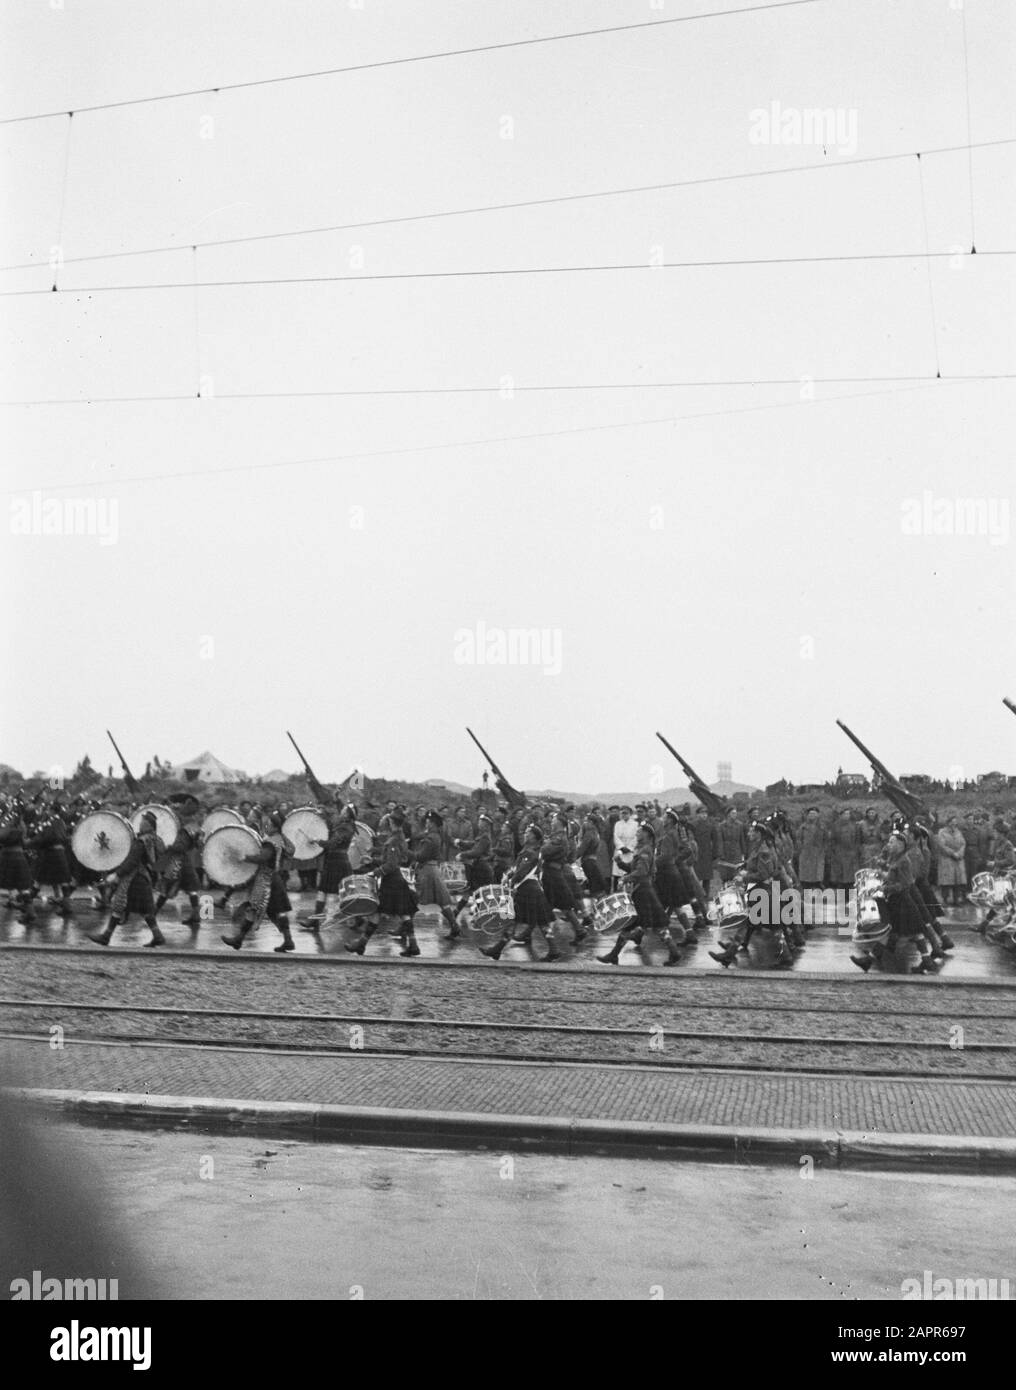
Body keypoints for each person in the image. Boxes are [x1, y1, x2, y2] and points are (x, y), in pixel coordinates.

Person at [597, 822, 681, 966]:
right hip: (643, 890)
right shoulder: (643, 849)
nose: (637, 833)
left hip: (643, 891)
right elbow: (633, 868)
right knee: (654, 926)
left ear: (646, 834)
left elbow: (641, 872)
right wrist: (620, 863)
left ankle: (614, 954)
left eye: (640, 831)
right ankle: (674, 952)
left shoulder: (645, 850)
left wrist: (625, 878)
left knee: (637, 925)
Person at [481, 824, 560, 962]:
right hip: (531, 888)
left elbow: (522, 872)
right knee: (540, 923)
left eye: (529, 833)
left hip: (527, 889)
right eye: (526, 832)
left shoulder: (530, 852)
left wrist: (510, 883)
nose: (525, 835)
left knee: (515, 920)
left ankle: (497, 949)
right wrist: (510, 874)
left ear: (535, 837)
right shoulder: (530, 850)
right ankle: (553, 950)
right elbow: (518, 868)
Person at [88, 810, 166, 948]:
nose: (140, 825)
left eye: (143, 823)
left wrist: (117, 874)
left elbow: (132, 861)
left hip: (134, 879)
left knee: (119, 905)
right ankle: (157, 936)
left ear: (149, 825)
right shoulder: (157, 840)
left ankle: (106, 936)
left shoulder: (142, 841)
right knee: (146, 910)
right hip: (145, 878)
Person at [220, 812, 295, 953]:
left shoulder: (271, 842)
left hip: (266, 880)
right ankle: (288, 940)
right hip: (276, 879)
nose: (266, 826)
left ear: (275, 827)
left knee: (254, 909)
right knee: (278, 912)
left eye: (269, 824)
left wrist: (245, 857)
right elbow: (292, 850)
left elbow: (263, 857)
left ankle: (239, 939)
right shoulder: (280, 839)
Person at [307, 805, 356, 928]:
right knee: (323, 890)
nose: (341, 812)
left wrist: (316, 840)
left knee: (344, 893)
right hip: (334, 860)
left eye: (344, 811)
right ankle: (315, 920)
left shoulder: (345, 828)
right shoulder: (344, 826)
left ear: (347, 814)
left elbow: (331, 844)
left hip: (338, 862)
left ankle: (357, 919)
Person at [412, 811, 459, 938]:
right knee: (441, 901)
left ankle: (405, 927)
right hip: (431, 870)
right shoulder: (435, 835)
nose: (426, 823)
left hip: (428, 871)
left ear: (433, 823)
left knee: (415, 898)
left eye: (428, 822)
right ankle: (454, 926)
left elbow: (422, 856)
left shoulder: (431, 837)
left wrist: (409, 853)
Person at [154, 808, 203, 927]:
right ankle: (195, 915)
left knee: (167, 887)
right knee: (191, 889)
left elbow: (180, 847)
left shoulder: (183, 831)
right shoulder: (194, 829)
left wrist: (169, 847)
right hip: (185, 861)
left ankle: (153, 913)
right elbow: (197, 844)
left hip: (177, 861)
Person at [936, 817, 967, 906]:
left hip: (958, 860)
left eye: (955, 823)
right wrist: (952, 853)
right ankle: (945, 899)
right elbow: (942, 845)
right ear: (948, 823)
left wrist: (960, 853)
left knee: (957, 881)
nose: (954, 824)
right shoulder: (942, 832)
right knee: (946, 881)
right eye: (952, 822)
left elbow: (963, 844)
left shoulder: (958, 832)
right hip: (947, 859)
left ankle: (956, 899)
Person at [611, 807, 638, 889]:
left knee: (628, 870)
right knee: (617, 873)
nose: (624, 815)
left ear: (630, 814)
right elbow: (615, 836)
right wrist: (621, 847)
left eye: (626, 813)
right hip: (620, 850)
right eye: (622, 813)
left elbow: (636, 837)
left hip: (630, 851)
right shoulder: (618, 824)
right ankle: (616, 891)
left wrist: (629, 848)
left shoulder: (635, 824)